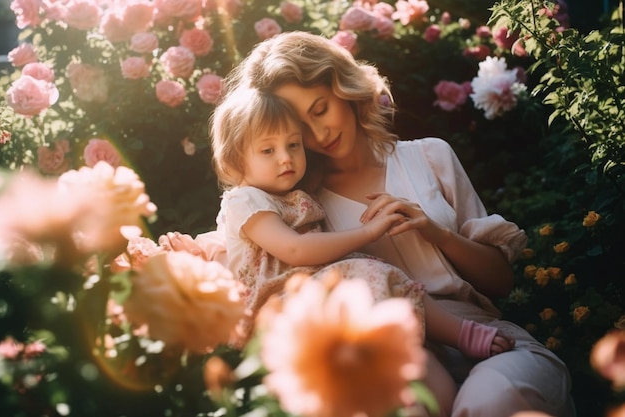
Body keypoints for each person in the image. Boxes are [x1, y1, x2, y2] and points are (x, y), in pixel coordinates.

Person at [221, 31, 576, 417]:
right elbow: (245, 249)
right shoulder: (296, 206)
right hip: (390, 359)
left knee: (487, 403)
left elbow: (501, 282)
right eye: (300, 128)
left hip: (490, 340)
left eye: (320, 109)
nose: (319, 134)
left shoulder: (429, 156)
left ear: (343, 87)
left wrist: (434, 231)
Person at [210, 85, 514, 369]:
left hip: (317, 298)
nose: (286, 158)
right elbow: (294, 248)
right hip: (282, 309)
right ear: (235, 162)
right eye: (268, 151)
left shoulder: (293, 195)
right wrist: (367, 233)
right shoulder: (244, 200)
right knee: (370, 272)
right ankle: (461, 335)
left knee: (386, 283)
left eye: (293, 144)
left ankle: (459, 339)